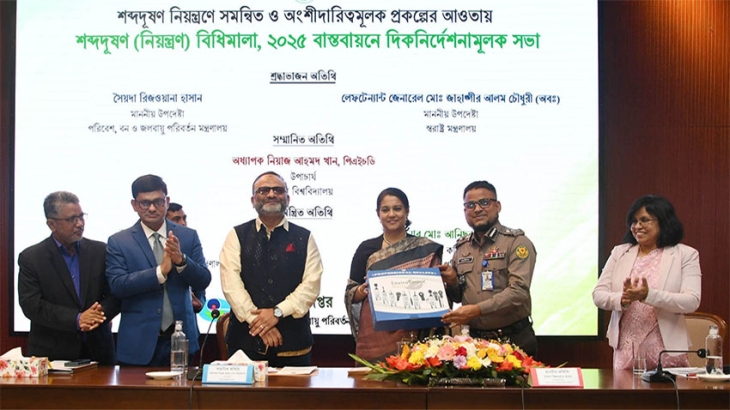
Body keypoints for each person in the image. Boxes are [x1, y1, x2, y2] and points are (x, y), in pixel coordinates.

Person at [220, 171, 323, 367]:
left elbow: (311, 285)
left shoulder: (304, 237)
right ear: (253, 200)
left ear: (288, 198)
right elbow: (231, 284)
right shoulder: (237, 235)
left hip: (293, 345)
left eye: (278, 190)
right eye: (263, 190)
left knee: (293, 390)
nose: (271, 194)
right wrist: (260, 323)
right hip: (245, 345)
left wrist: (277, 312)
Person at [106, 175, 211, 366]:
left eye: (158, 202)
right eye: (145, 203)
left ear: (167, 201)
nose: (152, 208)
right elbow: (117, 285)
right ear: (134, 205)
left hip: (181, 339)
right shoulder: (119, 241)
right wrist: (160, 273)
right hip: (138, 344)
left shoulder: (188, 236)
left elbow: (203, 280)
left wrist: (181, 261)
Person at [592, 194, 701, 370]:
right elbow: (598, 295)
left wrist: (648, 295)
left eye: (644, 220)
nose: (637, 226)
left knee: (668, 389)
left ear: (663, 221)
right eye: (634, 221)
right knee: (625, 389)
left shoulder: (685, 254)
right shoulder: (620, 253)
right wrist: (623, 299)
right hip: (626, 351)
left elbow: (691, 301)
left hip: (667, 352)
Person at [18, 191, 120, 364]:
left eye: (81, 217)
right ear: (52, 224)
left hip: (99, 352)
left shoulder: (100, 251)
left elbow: (115, 294)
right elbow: (32, 305)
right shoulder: (32, 258)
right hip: (53, 353)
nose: (80, 224)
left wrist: (97, 315)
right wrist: (77, 319)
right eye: (72, 219)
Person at [439, 180, 538, 356]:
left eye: (484, 202)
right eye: (470, 205)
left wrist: (477, 310)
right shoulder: (462, 248)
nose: (477, 209)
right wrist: (453, 282)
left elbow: (518, 292)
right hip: (474, 344)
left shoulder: (516, 243)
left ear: (497, 206)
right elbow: (458, 296)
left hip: (513, 339)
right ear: (465, 211)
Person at [344, 188, 444, 362]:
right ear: (378, 213)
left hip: (415, 337)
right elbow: (350, 293)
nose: (391, 214)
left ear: (407, 211)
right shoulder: (366, 249)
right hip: (376, 338)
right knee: (373, 378)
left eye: (397, 209)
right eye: (385, 210)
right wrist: (364, 289)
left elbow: (438, 293)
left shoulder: (424, 249)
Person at [166, 202, 205, 314]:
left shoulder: (191, 242)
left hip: (186, 315)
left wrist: (199, 302)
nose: (183, 223)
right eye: (176, 219)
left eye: (184, 218)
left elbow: (202, 279)